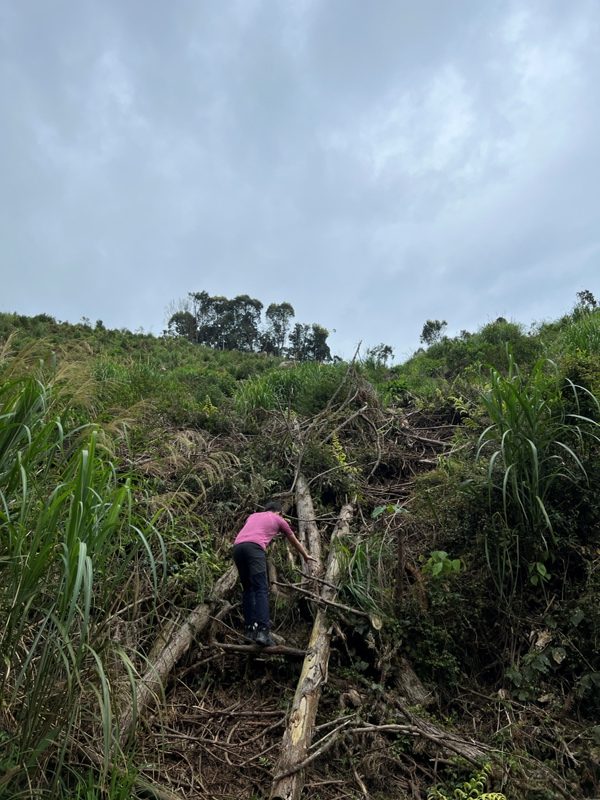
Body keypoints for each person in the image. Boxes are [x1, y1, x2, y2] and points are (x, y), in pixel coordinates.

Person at [232, 500, 317, 646]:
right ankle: (263, 633)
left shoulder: (253, 516)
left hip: (237, 548)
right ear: (279, 512)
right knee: (261, 589)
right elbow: (294, 540)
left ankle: (249, 630)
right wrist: (305, 555)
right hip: (255, 549)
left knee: (248, 589)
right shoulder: (279, 519)